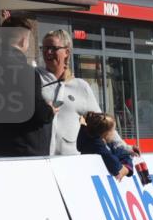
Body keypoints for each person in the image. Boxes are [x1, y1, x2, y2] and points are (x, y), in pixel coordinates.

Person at [0, 16, 57, 157]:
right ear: (23, 41)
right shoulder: (26, 72)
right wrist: (49, 111)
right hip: (25, 155)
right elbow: (37, 112)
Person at [39, 29, 129, 157]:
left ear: (67, 52)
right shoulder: (34, 79)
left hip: (71, 159)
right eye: (45, 48)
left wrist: (124, 147)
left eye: (53, 48)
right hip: (40, 158)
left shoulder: (80, 86)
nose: (48, 52)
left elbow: (102, 123)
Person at [77, 112, 134, 181]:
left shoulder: (104, 144)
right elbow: (118, 169)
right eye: (113, 130)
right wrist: (126, 168)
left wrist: (128, 155)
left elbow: (121, 153)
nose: (114, 133)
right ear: (106, 133)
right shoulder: (98, 147)